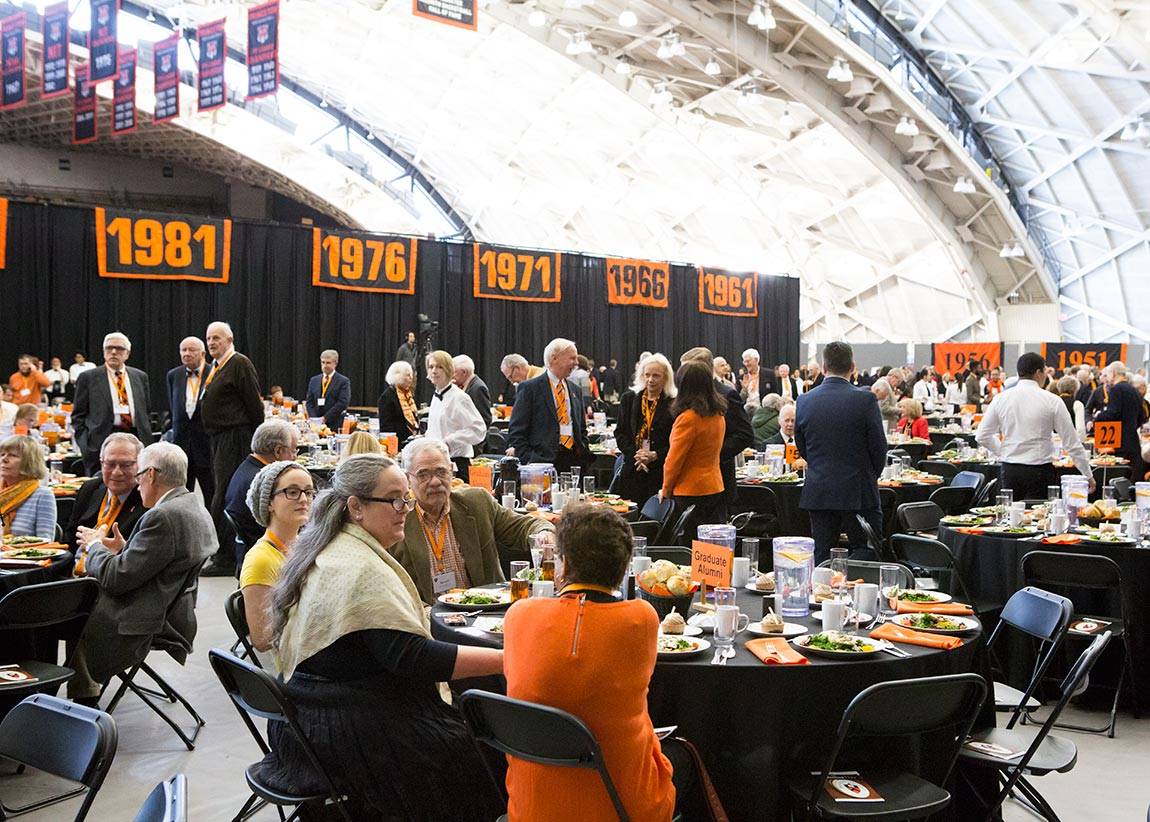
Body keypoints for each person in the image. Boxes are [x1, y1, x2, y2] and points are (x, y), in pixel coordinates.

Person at [263, 454, 504, 819]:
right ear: (356, 507)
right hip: (341, 732)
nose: (405, 509)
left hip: (305, 717)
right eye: (394, 500)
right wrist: (507, 659)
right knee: (485, 747)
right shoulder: (358, 567)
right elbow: (412, 658)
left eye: (406, 498)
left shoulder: (332, 547)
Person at [503, 504, 676, 820]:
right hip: (621, 808)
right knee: (686, 754)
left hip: (532, 809)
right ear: (623, 568)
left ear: (565, 564)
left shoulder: (518, 616)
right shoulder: (642, 618)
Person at [67, 443, 218, 703]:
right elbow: (163, 560)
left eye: (138, 476)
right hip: (175, 608)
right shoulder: (192, 505)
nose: (137, 485)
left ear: (151, 474)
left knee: (68, 609)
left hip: (147, 616)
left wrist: (94, 546)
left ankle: (81, 697)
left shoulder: (162, 516)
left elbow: (115, 579)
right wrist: (124, 548)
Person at [391, 438, 554, 605]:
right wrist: (426, 613)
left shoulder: (477, 503)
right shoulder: (396, 521)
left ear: (451, 471)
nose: (435, 482)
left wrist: (544, 534)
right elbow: (392, 592)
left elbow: (524, 526)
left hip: (486, 609)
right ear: (408, 479)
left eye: (441, 472)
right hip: (429, 614)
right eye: (423, 475)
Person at [795, 342, 887, 563]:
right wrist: (869, 475)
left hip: (820, 489)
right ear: (853, 367)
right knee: (866, 553)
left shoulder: (804, 400)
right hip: (858, 490)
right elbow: (878, 448)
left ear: (824, 367)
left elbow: (802, 446)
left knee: (822, 557)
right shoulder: (865, 399)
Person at [976, 353, 1092, 501]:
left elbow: (982, 436)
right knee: (1039, 513)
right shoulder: (1052, 400)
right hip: (1040, 470)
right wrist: (1087, 474)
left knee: (1010, 513)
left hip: (1010, 469)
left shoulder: (1001, 398)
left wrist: (1003, 450)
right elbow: (1071, 442)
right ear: (1038, 373)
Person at [200, 321, 265, 576]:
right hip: (218, 438)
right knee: (221, 492)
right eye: (208, 338)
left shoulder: (239, 364)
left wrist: (255, 439)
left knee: (225, 495)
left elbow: (254, 405)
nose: (211, 343)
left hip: (235, 438)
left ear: (230, 339)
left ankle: (225, 557)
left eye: (216, 338)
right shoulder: (218, 366)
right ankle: (222, 552)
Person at [240, 461, 315, 653]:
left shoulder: (301, 545)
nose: (304, 499)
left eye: (308, 492)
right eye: (292, 492)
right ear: (269, 503)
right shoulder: (260, 561)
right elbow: (262, 639)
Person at [681, 347, 754, 511]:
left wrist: (712, 453)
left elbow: (744, 434)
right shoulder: (681, 395)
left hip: (717, 480)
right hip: (685, 482)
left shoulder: (726, 394)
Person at [72, 332, 152, 477]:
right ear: (104, 352)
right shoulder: (88, 378)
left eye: (119, 348)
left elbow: (146, 411)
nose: (114, 352)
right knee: (102, 486)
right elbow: (78, 416)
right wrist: (86, 446)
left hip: (136, 439)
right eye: (109, 348)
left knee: (137, 485)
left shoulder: (140, 377)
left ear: (127, 353)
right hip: (100, 442)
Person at [224, 419, 300, 569]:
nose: (295, 457)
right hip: (266, 557)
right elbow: (286, 523)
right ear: (278, 451)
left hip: (248, 549)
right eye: (293, 451)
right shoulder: (265, 482)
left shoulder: (248, 466)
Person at [660, 360, 727, 528]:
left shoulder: (687, 419)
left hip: (689, 490)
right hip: (714, 486)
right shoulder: (718, 415)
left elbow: (673, 461)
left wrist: (666, 489)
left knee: (690, 541)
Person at [507, 339, 591, 470]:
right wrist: (530, 459)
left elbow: (581, 429)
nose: (576, 363)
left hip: (573, 461)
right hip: (541, 463)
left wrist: (583, 448)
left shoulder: (575, 390)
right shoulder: (530, 388)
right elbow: (516, 431)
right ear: (554, 358)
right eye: (572, 358)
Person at [65, 433, 147, 552]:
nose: (116, 472)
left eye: (126, 465)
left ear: (140, 465)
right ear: (101, 463)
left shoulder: (146, 500)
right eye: (110, 464)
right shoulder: (90, 488)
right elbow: (69, 539)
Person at [614, 354, 676, 506]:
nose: (650, 380)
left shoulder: (674, 403)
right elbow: (620, 433)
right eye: (647, 375)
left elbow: (676, 441)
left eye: (656, 376)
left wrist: (655, 455)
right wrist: (637, 455)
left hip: (659, 471)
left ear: (666, 378)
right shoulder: (628, 399)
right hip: (632, 468)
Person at [165, 337, 214, 500]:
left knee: (212, 494)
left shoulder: (214, 373)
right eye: (183, 350)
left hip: (207, 445)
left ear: (203, 354)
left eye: (192, 350)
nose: (187, 353)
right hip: (181, 446)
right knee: (181, 496)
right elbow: (173, 409)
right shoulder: (173, 375)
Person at [424, 349, 486, 476]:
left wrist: (449, 441)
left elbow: (479, 429)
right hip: (437, 461)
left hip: (457, 464)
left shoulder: (459, 397)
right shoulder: (437, 395)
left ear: (448, 370)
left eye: (439, 367)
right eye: (431, 367)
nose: (434, 371)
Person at [1092, 361, 1148, 479]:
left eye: (1107, 374)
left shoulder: (1116, 389)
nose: (1106, 379)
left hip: (1119, 442)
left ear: (1113, 373)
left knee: (1118, 478)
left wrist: (1099, 416)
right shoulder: (1134, 390)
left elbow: (1113, 413)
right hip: (1133, 440)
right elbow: (1142, 416)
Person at [0, 435, 56, 539]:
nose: (4, 459)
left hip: (21, 549)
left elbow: (45, 541)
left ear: (29, 462)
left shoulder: (42, 495)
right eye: (2, 454)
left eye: (12, 455)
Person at [304, 349, 351, 431]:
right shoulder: (314, 380)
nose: (325, 365)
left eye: (328, 363)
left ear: (335, 363)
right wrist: (315, 419)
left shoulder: (343, 381)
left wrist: (325, 418)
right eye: (323, 362)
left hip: (335, 423)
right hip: (316, 424)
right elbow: (309, 402)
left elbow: (343, 403)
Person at [377, 361, 420, 447]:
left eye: (411, 375)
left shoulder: (407, 394)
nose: (411, 378)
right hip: (396, 443)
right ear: (397, 376)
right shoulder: (387, 397)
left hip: (410, 441)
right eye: (408, 375)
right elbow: (386, 427)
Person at [452, 353, 493, 437]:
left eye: (454, 372)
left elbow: (485, 419)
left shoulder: (478, 388)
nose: (452, 376)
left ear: (464, 372)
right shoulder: (467, 386)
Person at [1056, 375, 1088, 440]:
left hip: (1054, 440)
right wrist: (1081, 440)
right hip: (1071, 440)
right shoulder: (1077, 404)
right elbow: (1080, 429)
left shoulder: (1053, 403)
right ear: (1075, 389)